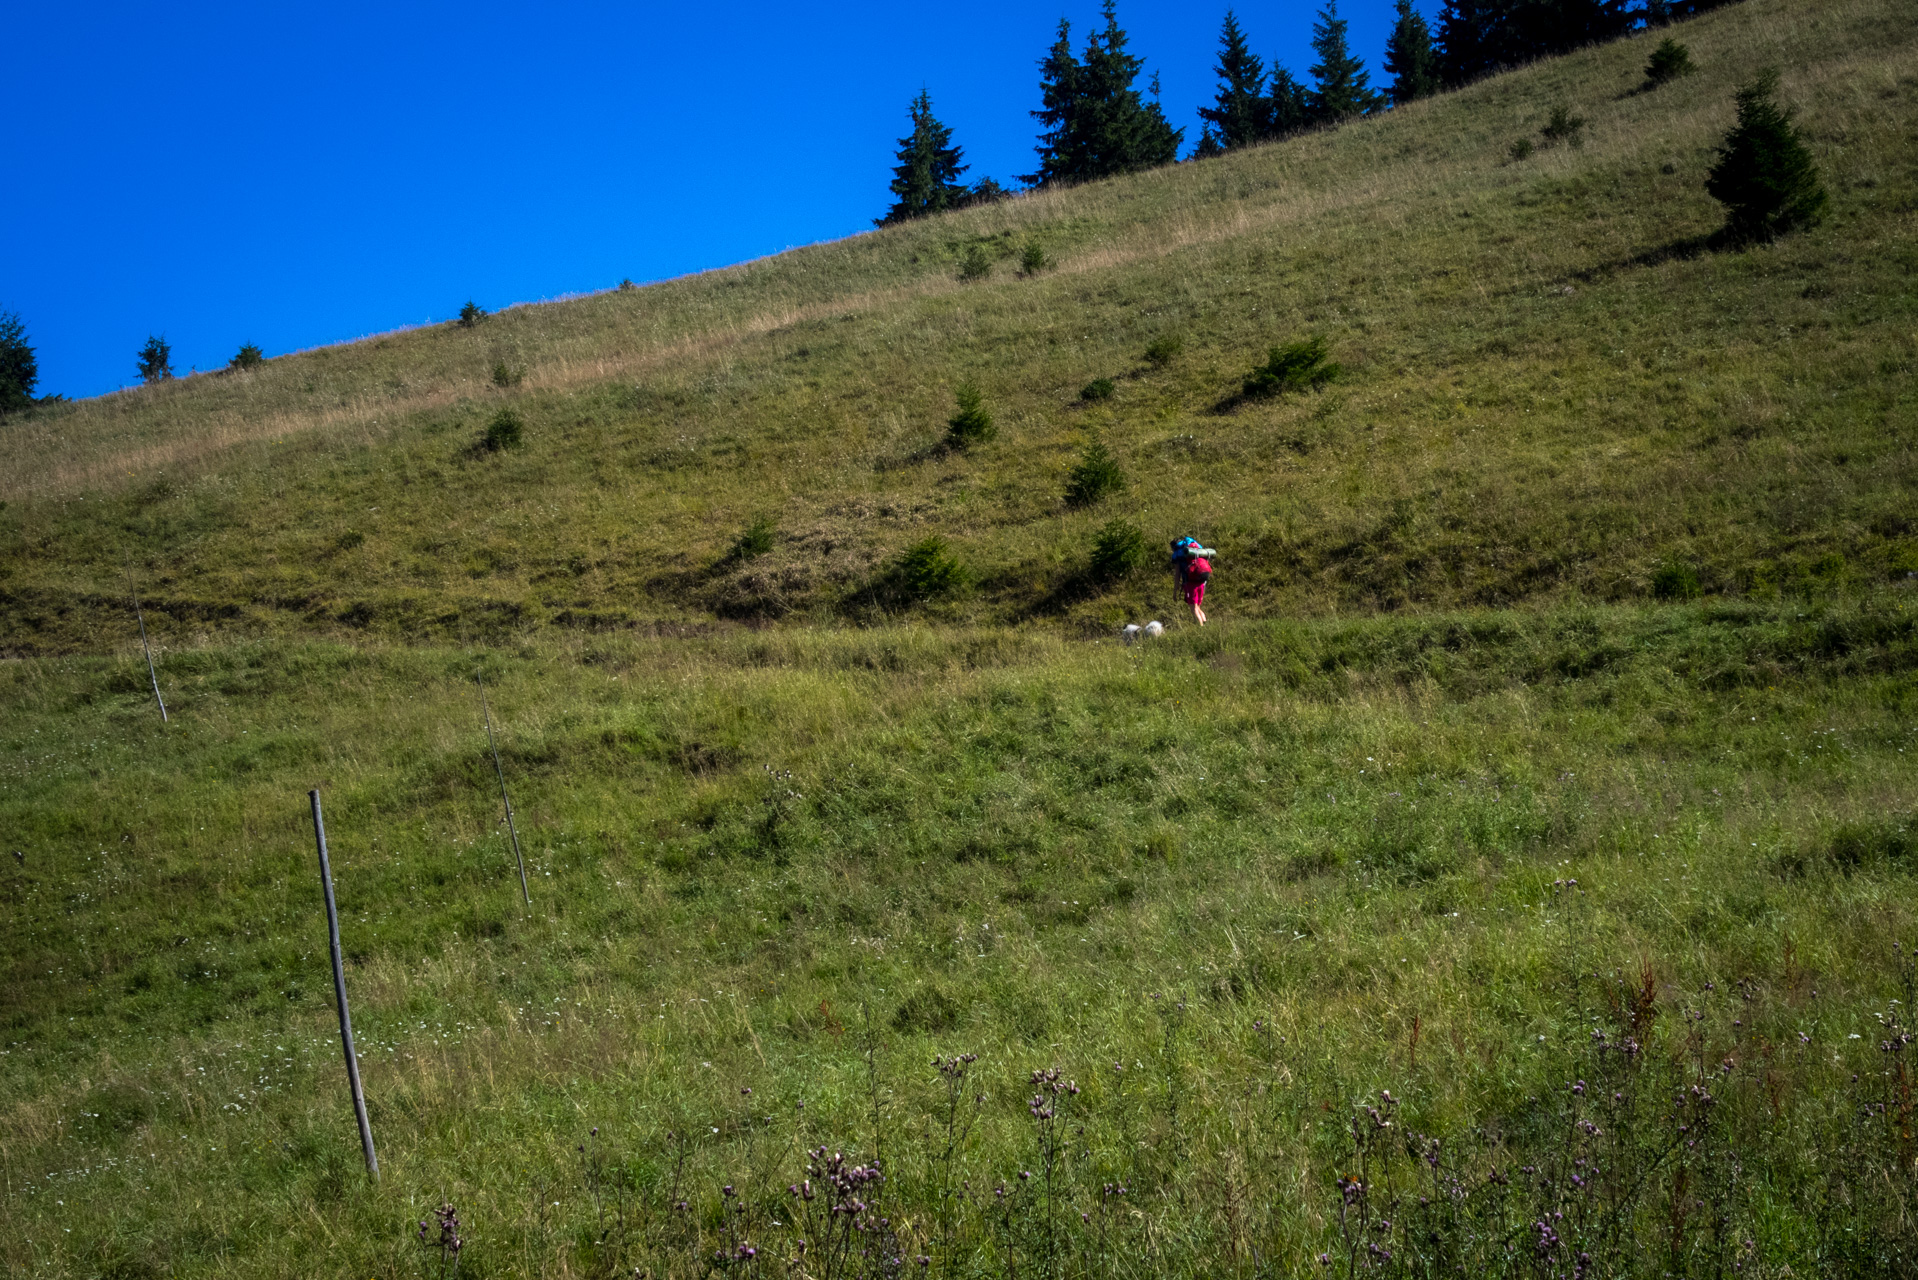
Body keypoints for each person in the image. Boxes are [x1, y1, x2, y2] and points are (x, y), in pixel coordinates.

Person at [1169, 537, 1216, 626]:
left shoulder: (1179, 554)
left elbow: (1177, 575)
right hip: (1202, 581)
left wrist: (1175, 592)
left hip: (1190, 583)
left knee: (1193, 608)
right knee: (1197, 607)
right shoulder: (1196, 549)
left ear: (1174, 547)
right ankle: (1206, 626)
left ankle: (1200, 629)